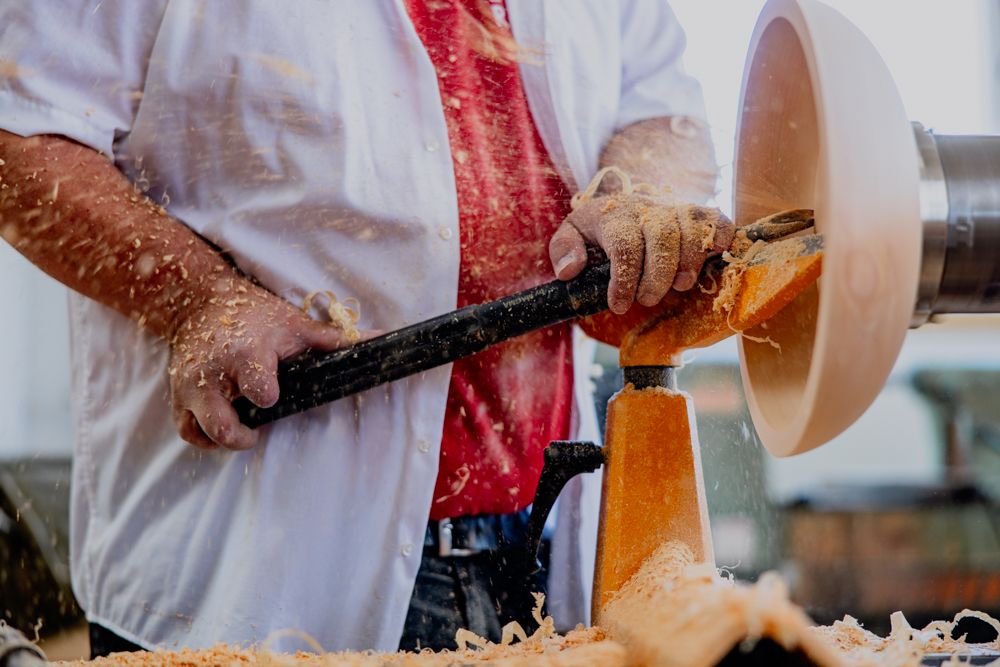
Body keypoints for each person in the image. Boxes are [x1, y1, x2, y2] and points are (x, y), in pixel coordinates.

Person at [0, 0, 731, 656]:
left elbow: (660, 108)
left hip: (542, 537)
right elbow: (20, 131)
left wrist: (641, 200)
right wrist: (195, 295)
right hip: (255, 564)